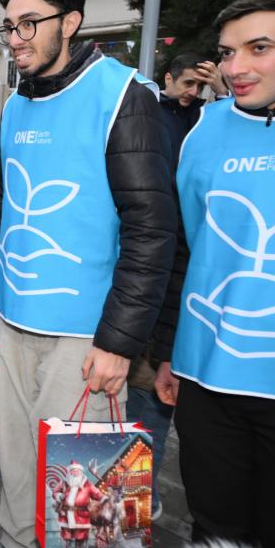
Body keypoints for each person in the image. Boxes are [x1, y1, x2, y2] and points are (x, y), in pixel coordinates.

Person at [0, 0, 176, 548]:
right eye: (9, 26)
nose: (15, 39)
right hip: (12, 326)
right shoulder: (14, 104)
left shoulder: (124, 96)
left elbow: (151, 231)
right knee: (17, 476)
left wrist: (119, 344)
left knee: (90, 511)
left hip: (86, 342)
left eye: (29, 23)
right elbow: (2, 211)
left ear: (72, 22)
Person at [153, 0, 275, 547]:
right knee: (217, 528)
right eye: (228, 52)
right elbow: (185, 250)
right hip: (208, 375)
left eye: (260, 47)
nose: (237, 67)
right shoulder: (202, 130)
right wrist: (169, 355)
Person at [124, 52, 229, 521]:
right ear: (166, 79)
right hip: (162, 278)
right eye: (186, 84)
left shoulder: (210, 119)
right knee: (147, 406)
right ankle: (136, 497)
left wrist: (223, 95)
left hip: (206, 298)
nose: (192, 92)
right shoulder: (150, 117)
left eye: (199, 87)